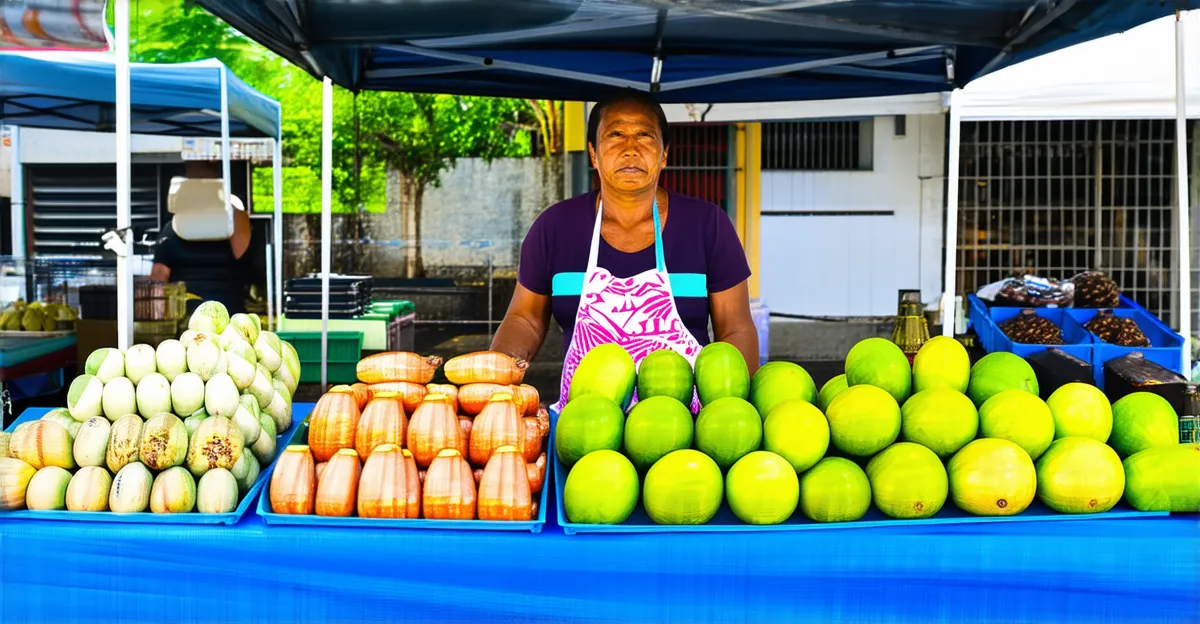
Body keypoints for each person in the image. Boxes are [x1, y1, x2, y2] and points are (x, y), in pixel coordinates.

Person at [491, 91, 760, 412]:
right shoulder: (555, 226)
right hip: (586, 426)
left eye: (644, 135)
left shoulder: (707, 224)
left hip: (688, 431)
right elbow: (525, 319)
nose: (630, 148)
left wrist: (731, 409)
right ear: (593, 153)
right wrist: (496, 382)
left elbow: (736, 327)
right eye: (615, 134)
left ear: (664, 155)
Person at [150, 160, 253, 315]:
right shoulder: (236, 222)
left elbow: (159, 277)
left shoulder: (170, 230)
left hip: (201, 314)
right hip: (218, 312)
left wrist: (159, 317)